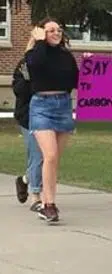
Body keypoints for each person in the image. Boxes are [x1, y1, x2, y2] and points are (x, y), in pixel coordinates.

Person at [26, 18, 79, 223]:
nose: (57, 33)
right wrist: (38, 42)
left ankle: (49, 200)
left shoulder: (66, 56)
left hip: (63, 105)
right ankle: (48, 205)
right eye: (51, 30)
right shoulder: (34, 53)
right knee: (50, 155)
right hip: (41, 106)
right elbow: (36, 65)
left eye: (59, 29)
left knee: (55, 160)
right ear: (41, 33)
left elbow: (75, 81)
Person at [12, 36, 43, 212]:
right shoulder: (24, 66)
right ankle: (36, 196)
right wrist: (28, 77)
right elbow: (19, 90)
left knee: (48, 157)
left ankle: (24, 180)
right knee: (37, 156)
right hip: (29, 117)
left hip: (50, 115)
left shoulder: (50, 63)